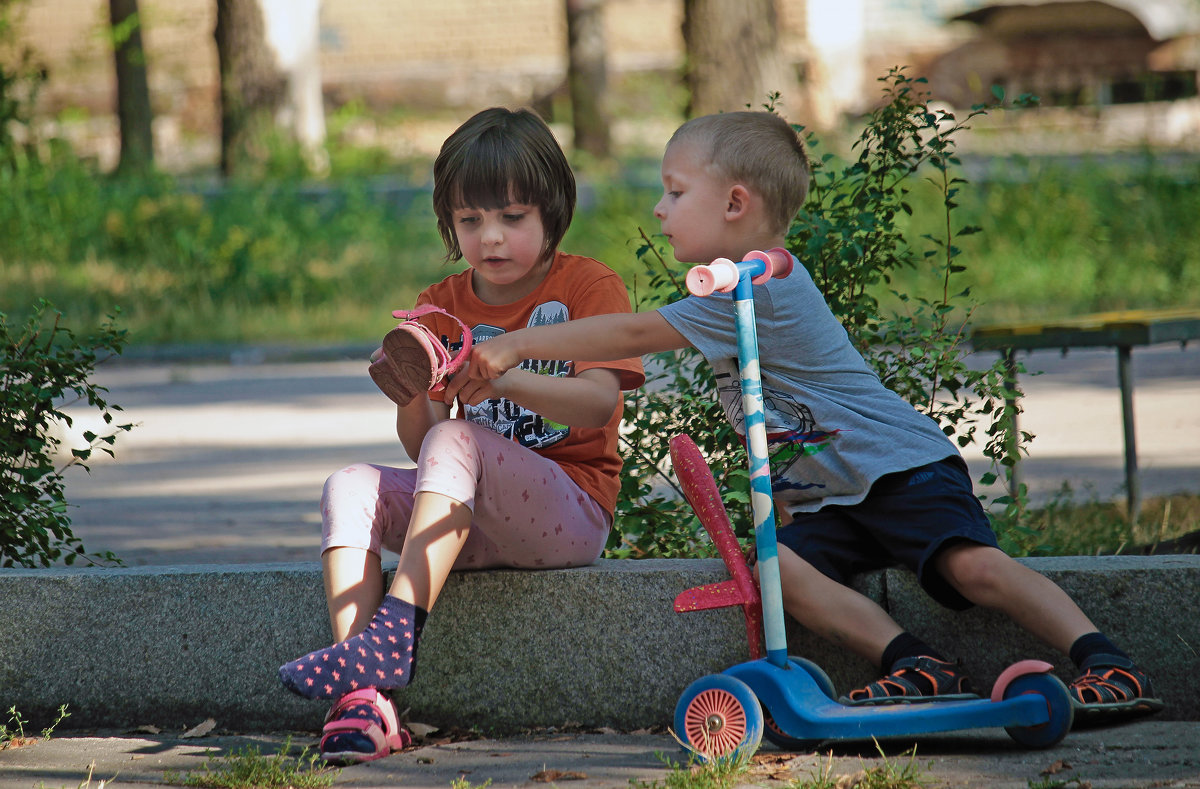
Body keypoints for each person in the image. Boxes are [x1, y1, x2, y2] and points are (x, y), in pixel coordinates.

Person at [459, 110, 1163, 723]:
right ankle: (917, 663)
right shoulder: (729, 293)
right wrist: (792, 504)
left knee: (970, 566)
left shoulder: (763, 279)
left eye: (675, 192)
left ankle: (1108, 659)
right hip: (832, 494)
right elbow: (772, 420)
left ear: (736, 202)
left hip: (897, 465)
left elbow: (631, 334)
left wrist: (514, 344)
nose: (659, 209)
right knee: (781, 570)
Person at [278, 107, 644, 764]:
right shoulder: (441, 301)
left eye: (511, 218)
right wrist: (413, 391)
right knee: (349, 483)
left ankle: (396, 630)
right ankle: (365, 701)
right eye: (470, 221)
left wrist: (504, 378)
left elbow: (596, 404)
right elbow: (425, 448)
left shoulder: (589, 285)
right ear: (448, 221)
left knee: (462, 443)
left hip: (570, 513)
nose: (491, 239)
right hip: (462, 522)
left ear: (552, 212)